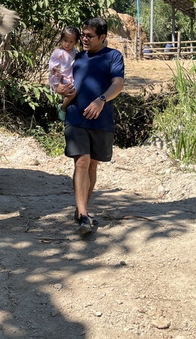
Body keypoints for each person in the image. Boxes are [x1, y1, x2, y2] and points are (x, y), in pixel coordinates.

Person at [56, 17, 125, 234]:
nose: (83, 39)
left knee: (93, 164)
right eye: (83, 35)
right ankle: (84, 215)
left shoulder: (113, 56)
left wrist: (101, 100)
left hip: (101, 120)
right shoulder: (75, 57)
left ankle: (80, 209)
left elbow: (118, 84)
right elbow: (59, 80)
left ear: (102, 37)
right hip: (75, 117)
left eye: (89, 36)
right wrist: (59, 89)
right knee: (82, 162)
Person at [48, 26, 80, 120]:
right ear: (61, 39)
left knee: (73, 92)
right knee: (73, 93)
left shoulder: (75, 52)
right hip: (59, 77)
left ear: (75, 42)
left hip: (68, 76)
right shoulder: (58, 52)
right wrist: (55, 69)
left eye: (71, 42)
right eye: (65, 40)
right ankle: (63, 108)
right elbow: (52, 62)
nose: (67, 44)